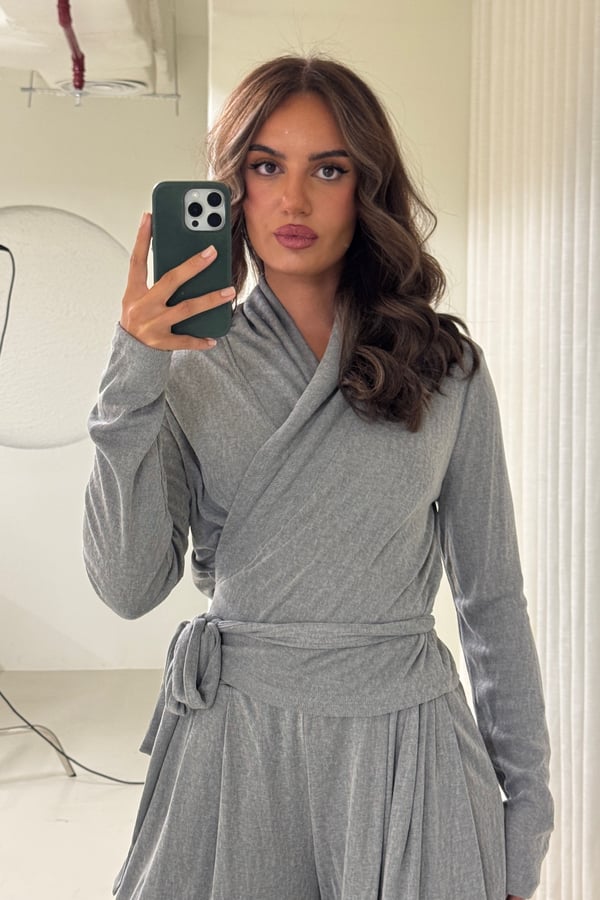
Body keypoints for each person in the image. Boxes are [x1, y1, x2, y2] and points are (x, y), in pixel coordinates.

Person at [83, 55, 553, 900]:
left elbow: (492, 600)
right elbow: (126, 586)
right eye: (267, 167)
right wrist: (131, 373)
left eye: (327, 170)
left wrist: (528, 809)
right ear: (233, 188)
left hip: (405, 748)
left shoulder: (445, 368)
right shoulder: (183, 367)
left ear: (366, 187)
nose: (293, 201)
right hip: (236, 747)